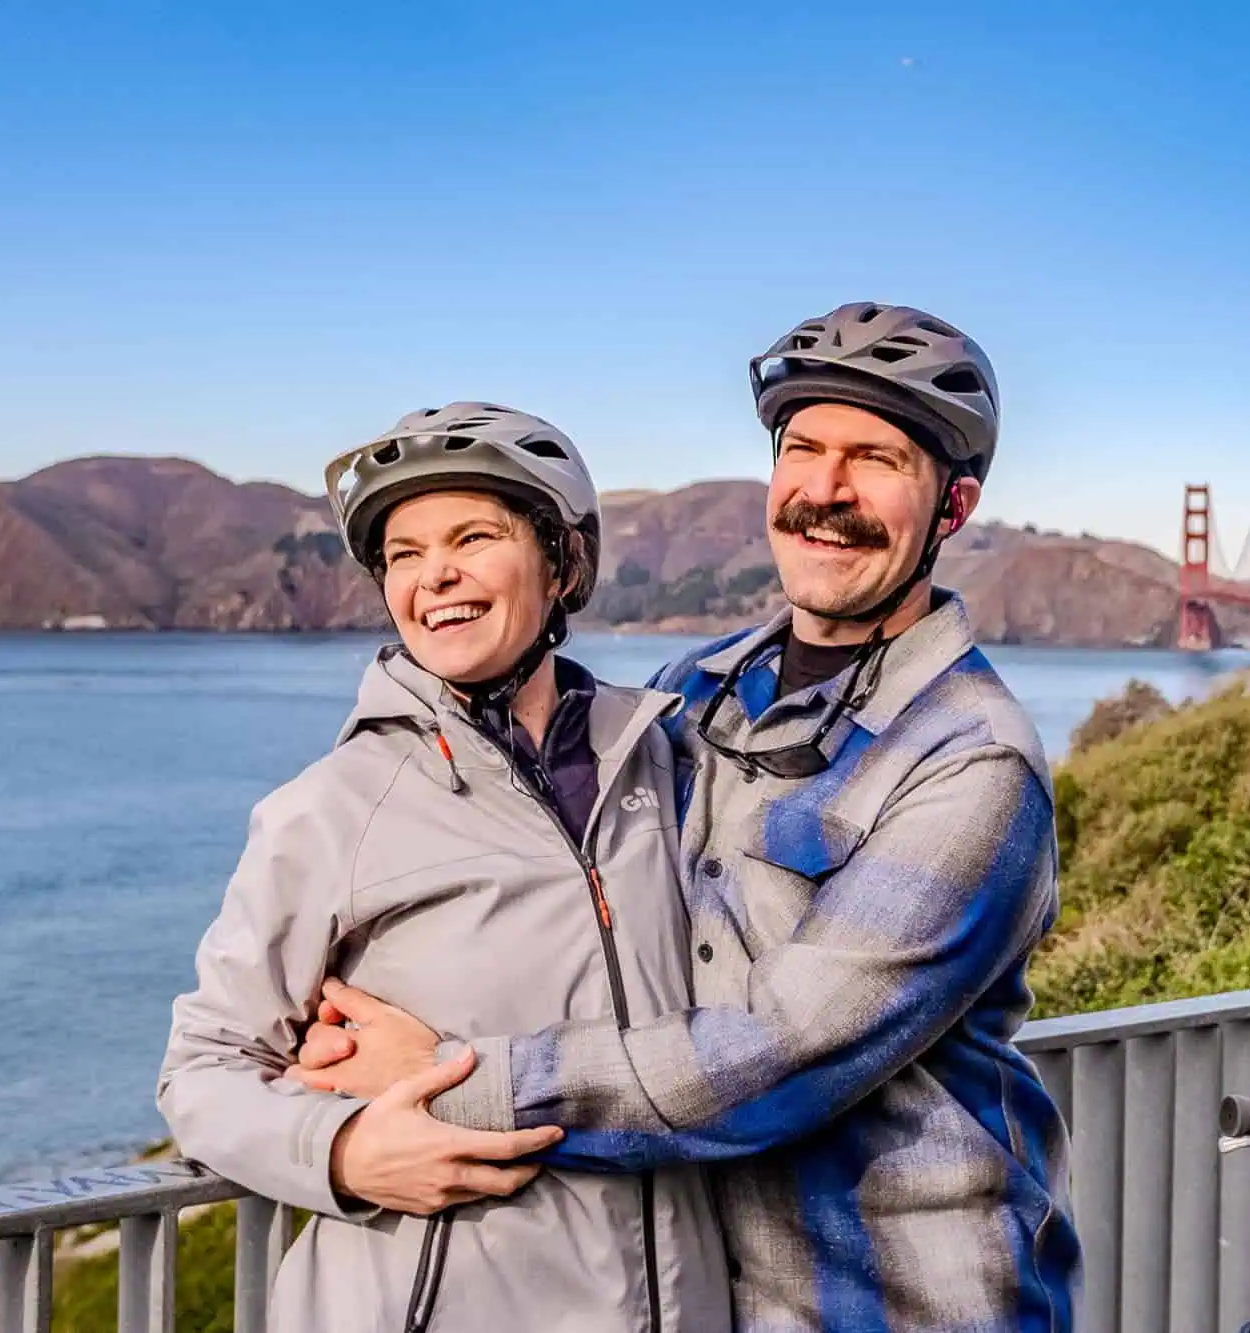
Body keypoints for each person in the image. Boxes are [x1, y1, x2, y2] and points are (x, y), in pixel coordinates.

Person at [291, 305, 1083, 1332]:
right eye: (803, 448)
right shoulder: (693, 694)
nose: (826, 491)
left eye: (876, 459)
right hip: (702, 1297)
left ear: (953, 505)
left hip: (901, 1302)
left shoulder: (970, 760)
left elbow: (778, 1058)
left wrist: (449, 1075)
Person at [156, 403, 731, 1333]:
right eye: (405, 554)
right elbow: (202, 1066)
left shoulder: (664, 763)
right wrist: (339, 1151)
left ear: (561, 562)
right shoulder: (337, 804)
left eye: (474, 536)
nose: (436, 577)